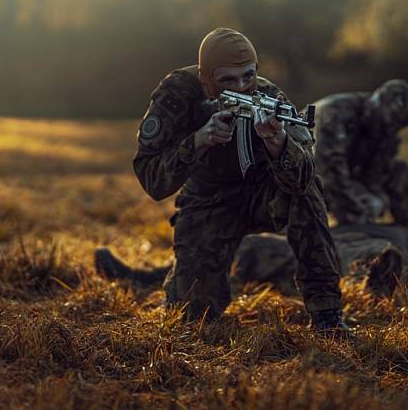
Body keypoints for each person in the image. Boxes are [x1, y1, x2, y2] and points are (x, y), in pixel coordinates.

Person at [132, 27, 348, 333]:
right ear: (206, 78)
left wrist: (279, 144)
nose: (243, 86)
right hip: (208, 202)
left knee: (309, 191)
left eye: (248, 76)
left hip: (263, 197)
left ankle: (327, 314)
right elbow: (152, 181)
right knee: (193, 315)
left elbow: (303, 178)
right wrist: (198, 142)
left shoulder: (271, 99)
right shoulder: (178, 94)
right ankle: (173, 279)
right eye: (228, 80)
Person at [313, 80, 408, 261]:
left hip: (347, 182)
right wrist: (355, 207)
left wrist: (374, 200)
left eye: (392, 127)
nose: (383, 130)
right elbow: (329, 173)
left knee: (400, 173)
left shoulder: (387, 131)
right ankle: (346, 246)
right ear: (374, 105)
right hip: (305, 180)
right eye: (382, 123)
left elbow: (378, 173)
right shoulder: (335, 113)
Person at [95, 222, 408, 299]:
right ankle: (158, 276)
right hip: (338, 235)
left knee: (255, 247)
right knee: (257, 246)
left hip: (367, 244)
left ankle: (147, 279)